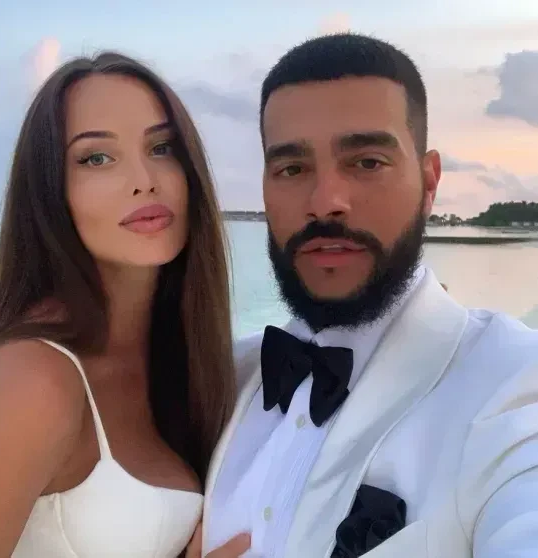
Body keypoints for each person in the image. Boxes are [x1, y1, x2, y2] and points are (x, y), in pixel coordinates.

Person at [201, 33, 538, 557]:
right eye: (292, 168)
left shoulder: (515, 383)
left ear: (429, 183)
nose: (325, 202)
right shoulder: (228, 378)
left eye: (367, 162)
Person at [0, 51, 240, 558]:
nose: (145, 178)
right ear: (50, 193)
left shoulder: (184, 364)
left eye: (162, 147)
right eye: (96, 158)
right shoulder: (32, 378)